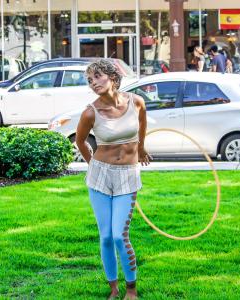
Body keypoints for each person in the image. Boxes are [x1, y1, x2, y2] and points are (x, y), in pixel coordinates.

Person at [76, 59, 151, 300]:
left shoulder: (136, 102)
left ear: (113, 78)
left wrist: (141, 148)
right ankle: (113, 288)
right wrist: (93, 166)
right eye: (90, 80)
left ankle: (131, 289)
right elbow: (81, 142)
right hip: (100, 176)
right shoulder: (90, 112)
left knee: (120, 235)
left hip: (127, 176)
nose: (93, 82)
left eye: (97, 76)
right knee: (106, 235)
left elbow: (142, 123)